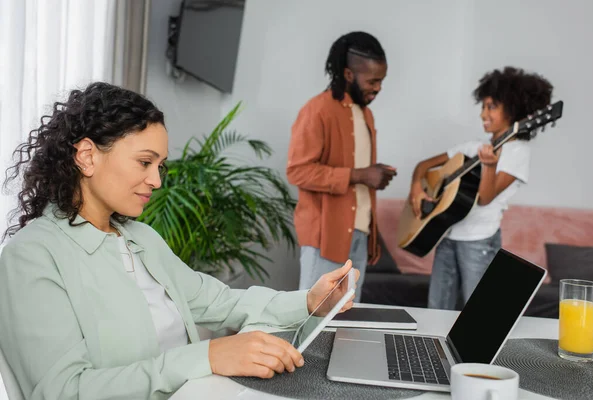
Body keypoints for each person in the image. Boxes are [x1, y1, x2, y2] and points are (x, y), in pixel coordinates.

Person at [0, 82, 358, 400]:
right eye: (144, 162)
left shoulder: (140, 238)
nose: (156, 180)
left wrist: (311, 302)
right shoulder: (31, 256)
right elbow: (62, 391)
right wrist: (208, 356)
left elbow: (221, 303)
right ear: (88, 156)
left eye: (160, 165)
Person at [408, 66, 553, 310]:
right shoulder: (471, 147)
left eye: (492, 106)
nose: (483, 113)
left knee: (477, 311)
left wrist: (489, 166)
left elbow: (485, 198)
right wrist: (416, 190)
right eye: (483, 106)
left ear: (514, 109)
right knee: (437, 307)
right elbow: (423, 167)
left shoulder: (517, 152)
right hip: (447, 233)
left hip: (478, 242)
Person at [287, 31, 397, 302]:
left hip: (359, 232)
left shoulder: (366, 114)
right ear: (349, 74)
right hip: (326, 235)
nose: (378, 88)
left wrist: (373, 176)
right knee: (314, 318)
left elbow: (356, 174)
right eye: (373, 81)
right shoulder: (318, 109)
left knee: (348, 319)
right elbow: (297, 170)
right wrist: (360, 175)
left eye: (381, 81)